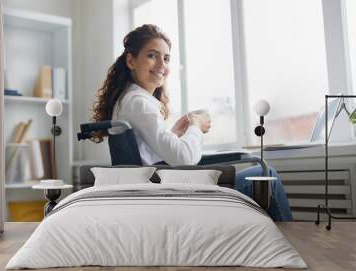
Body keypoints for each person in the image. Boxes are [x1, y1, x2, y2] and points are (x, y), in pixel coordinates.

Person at [91, 24, 292, 221]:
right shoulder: (139, 102)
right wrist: (195, 126)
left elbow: (146, 154)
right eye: (152, 55)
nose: (162, 64)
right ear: (131, 61)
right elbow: (184, 159)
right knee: (266, 174)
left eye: (166, 58)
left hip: (157, 185)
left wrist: (175, 133)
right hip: (171, 192)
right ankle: (291, 246)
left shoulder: (129, 99)